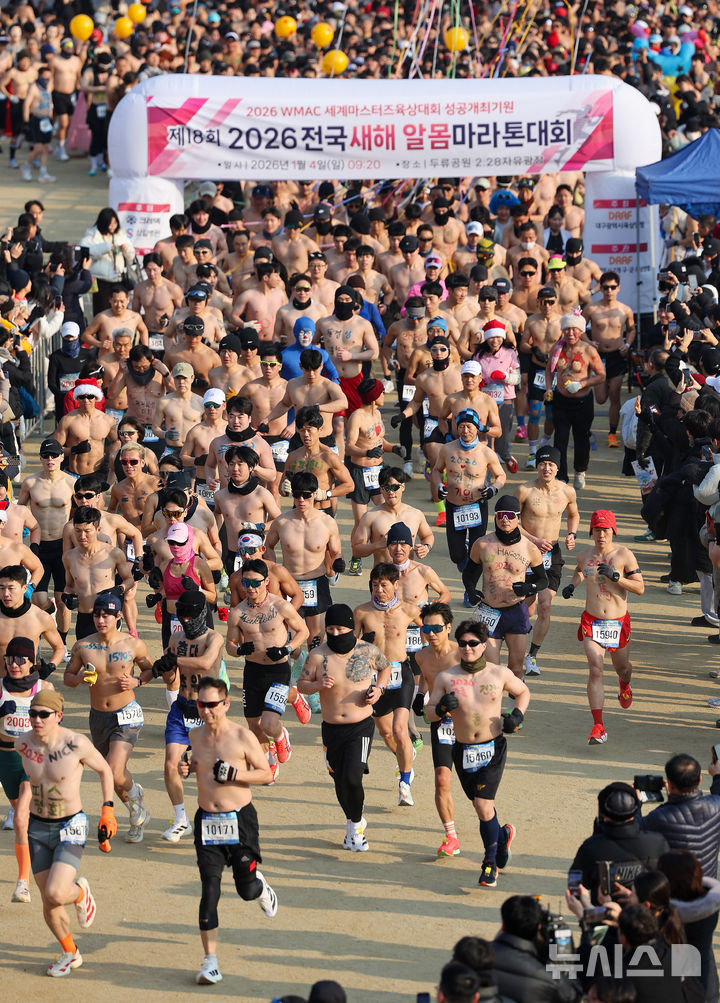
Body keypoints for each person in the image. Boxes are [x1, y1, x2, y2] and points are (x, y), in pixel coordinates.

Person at [178, 676, 277, 986]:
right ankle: (211, 962)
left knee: (245, 890)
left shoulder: (242, 736)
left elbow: (266, 774)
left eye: (212, 705)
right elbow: (195, 763)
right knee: (209, 890)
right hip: (207, 822)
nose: (206, 710)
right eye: (200, 704)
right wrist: (188, 767)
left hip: (240, 820)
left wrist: (235, 773)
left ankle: (259, 886)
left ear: (225, 704)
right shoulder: (194, 735)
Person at [16, 689, 116, 978]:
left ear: (58, 716)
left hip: (70, 824)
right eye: (32, 713)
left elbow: (105, 771)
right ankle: (70, 952)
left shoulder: (76, 744)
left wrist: (107, 809)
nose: (36, 719)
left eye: (43, 714)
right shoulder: (23, 744)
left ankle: (80, 892)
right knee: (49, 901)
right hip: (37, 827)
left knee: (57, 892)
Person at [427, 619, 529, 887]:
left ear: (484, 645)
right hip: (462, 750)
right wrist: (438, 710)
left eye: (473, 643)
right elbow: (427, 712)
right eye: (462, 643)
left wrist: (517, 716)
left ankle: (489, 864)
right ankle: (502, 836)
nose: (467, 648)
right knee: (481, 805)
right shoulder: (446, 678)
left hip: (492, 746)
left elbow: (523, 692)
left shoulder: (499, 674)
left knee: (483, 806)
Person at [297, 603, 389, 850]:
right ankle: (352, 823)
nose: (336, 634)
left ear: (351, 628)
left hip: (360, 726)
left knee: (352, 775)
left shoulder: (367, 650)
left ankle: (357, 826)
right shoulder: (318, 655)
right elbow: (301, 684)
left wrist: (379, 690)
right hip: (331, 728)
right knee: (339, 780)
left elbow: (386, 667)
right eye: (331, 629)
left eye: (340, 628)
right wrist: (317, 686)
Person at [64, 593, 153, 842]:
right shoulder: (83, 646)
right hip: (98, 717)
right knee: (110, 772)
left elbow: (149, 669)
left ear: (118, 617)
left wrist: (137, 680)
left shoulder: (133, 645)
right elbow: (67, 678)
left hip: (127, 714)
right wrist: (80, 678)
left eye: (106, 616)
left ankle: (134, 799)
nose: (101, 620)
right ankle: (136, 805)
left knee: (113, 770)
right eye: (97, 615)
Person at [561, 510, 645, 745]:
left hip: (617, 623)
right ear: (591, 531)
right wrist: (572, 585)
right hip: (592, 621)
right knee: (596, 668)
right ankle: (598, 726)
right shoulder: (584, 556)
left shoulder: (624, 554)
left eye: (606, 530)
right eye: (597, 530)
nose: (601, 534)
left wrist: (617, 577)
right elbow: (579, 571)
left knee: (623, 668)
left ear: (613, 531)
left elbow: (640, 588)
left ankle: (625, 684)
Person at [225, 559, 309, 783]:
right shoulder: (238, 613)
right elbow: (230, 645)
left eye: (255, 583)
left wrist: (286, 649)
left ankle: (282, 735)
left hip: (278, 669)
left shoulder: (280, 606)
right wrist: (239, 649)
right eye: (246, 583)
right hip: (252, 671)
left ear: (266, 582)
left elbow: (303, 631)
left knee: (269, 724)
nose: (250, 588)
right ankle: (267, 764)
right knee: (254, 725)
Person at [153, 589, 225, 841]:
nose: (185, 621)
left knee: (209, 771)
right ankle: (181, 819)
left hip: (208, 712)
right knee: (171, 765)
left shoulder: (214, 638)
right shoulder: (176, 639)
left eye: (189, 616)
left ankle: (217, 817)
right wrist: (164, 668)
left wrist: (175, 660)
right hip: (181, 708)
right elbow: (171, 677)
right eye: (181, 616)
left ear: (201, 614)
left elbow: (205, 663)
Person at [354, 563, 422, 806]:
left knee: (400, 729)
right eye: (374, 585)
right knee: (385, 732)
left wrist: (424, 663)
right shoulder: (361, 612)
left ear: (395, 585)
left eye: (384, 585)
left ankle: (404, 784)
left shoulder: (409, 611)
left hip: (400, 672)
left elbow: (430, 635)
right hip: (374, 678)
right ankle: (406, 758)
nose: (379, 590)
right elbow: (352, 645)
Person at [462, 496, 548, 678]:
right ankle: (494, 706)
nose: (505, 520)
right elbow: (469, 573)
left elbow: (543, 580)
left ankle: (514, 706)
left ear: (518, 518)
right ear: (495, 517)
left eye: (510, 515)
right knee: (491, 669)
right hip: (488, 611)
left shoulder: (530, 548)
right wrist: (471, 590)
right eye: (501, 515)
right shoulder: (482, 544)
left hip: (516, 612)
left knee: (515, 670)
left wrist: (528, 587)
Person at [0, 636, 56, 905]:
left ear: (33, 662)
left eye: (21, 659)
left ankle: (23, 883)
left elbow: (57, 725)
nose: (15, 664)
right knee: (27, 818)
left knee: (21, 818)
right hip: (5, 759)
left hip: (33, 759)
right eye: (10, 658)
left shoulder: (44, 688)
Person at [515, 445, 579, 675]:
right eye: (542, 464)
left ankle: (531, 656)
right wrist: (533, 539)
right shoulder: (524, 490)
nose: (546, 468)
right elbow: (510, 522)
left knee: (545, 605)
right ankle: (517, 643)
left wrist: (571, 534)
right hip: (525, 551)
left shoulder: (567, 492)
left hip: (552, 553)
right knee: (525, 607)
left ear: (557, 467)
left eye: (551, 464)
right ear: (537, 466)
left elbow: (574, 514)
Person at [265, 472, 343, 649]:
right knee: (290, 637)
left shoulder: (327, 522)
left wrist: (338, 561)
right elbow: (268, 546)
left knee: (315, 638)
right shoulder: (282, 522)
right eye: (297, 494)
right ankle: (298, 666)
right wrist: (274, 568)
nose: (301, 499)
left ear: (315, 494)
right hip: (290, 582)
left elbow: (336, 551)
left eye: (306, 495)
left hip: (317, 581)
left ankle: (312, 669)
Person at [431, 410, 506, 578]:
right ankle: (465, 562)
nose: (465, 431)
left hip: (477, 505)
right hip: (454, 505)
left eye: (469, 427)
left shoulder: (486, 452)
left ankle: (469, 586)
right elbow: (436, 470)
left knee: (477, 552)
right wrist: (438, 485)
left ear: (477, 428)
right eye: (462, 426)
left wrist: (493, 488)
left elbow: (501, 476)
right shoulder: (447, 450)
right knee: (456, 555)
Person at [414, 602, 462, 856]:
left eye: (436, 628)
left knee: (474, 788)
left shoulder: (463, 654)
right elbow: (426, 677)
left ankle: (497, 831)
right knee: (442, 779)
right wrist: (420, 694)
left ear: (448, 628)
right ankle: (451, 836)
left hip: (468, 726)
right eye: (426, 628)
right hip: (441, 723)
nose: (431, 633)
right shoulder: (421, 656)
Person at [570, 782, 670, 902]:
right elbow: (668, 883)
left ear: (603, 813)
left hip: (605, 915)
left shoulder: (590, 848)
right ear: (635, 811)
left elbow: (574, 888)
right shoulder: (657, 842)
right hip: (646, 916)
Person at [18, 437, 76, 643]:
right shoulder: (30, 482)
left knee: (64, 601)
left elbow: (80, 514)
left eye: (54, 455)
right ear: (41, 458)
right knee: (39, 599)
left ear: (62, 457)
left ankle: (62, 642)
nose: (50, 459)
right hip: (38, 547)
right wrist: (22, 533)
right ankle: (48, 611)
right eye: (45, 456)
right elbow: (18, 509)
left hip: (63, 546)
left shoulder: (71, 483)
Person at [546, 313, 605, 488]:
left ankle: (580, 470)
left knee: (582, 439)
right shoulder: (557, 348)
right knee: (560, 439)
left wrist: (582, 383)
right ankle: (561, 476)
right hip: (561, 400)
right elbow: (549, 370)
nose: (570, 333)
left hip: (582, 402)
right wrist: (549, 388)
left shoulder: (588, 350)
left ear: (580, 331)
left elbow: (601, 375)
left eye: (574, 329)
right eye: (567, 329)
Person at [61, 506, 136, 639]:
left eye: (87, 531)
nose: (82, 536)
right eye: (77, 531)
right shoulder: (69, 557)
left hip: (108, 615)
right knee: (86, 658)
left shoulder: (113, 553)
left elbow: (129, 579)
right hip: (84, 617)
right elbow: (69, 586)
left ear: (98, 530)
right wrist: (66, 597)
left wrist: (118, 589)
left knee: (109, 658)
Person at [642, 753, 720, 879]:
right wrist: (717, 776)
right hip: (707, 889)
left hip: (675, 893)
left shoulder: (658, 818)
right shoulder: (716, 806)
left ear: (670, 784)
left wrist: (635, 800)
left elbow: (633, 831)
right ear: (700, 780)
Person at [491, 895, 581, 1002]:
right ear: (538, 928)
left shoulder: (475, 955)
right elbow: (574, 996)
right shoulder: (551, 979)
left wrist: (499, 940)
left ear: (503, 925)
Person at [584, 272, 636, 447]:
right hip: (598, 356)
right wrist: (589, 342)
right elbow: (579, 328)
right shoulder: (592, 308)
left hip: (617, 356)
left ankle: (612, 433)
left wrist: (627, 346)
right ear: (601, 289)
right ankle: (587, 426)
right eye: (605, 287)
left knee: (614, 394)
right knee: (600, 398)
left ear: (618, 288)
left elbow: (631, 330)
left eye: (613, 287)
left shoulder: (625, 309)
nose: (609, 291)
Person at [351, 467, 434, 567]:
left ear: (403, 487)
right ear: (381, 489)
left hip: (407, 575)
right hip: (383, 576)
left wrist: (426, 547)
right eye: (386, 488)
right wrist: (378, 545)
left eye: (395, 487)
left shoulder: (416, 514)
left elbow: (428, 536)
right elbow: (356, 550)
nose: (391, 492)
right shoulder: (370, 516)